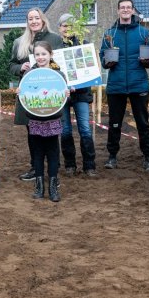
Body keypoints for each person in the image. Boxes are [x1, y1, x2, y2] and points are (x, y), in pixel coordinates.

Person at [99, 0, 149, 172]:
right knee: (114, 123)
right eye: (122, 7)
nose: (125, 10)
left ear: (133, 11)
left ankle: (148, 158)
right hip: (116, 85)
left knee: (143, 123)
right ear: (118, 11)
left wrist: (148, 61)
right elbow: (103, 58)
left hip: (139, 84)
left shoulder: (143, 33)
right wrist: (107, 63)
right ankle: (112, 156)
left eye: (128, 7)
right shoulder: (110, 34)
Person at [10, 8, 64, 181]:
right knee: (32, 132)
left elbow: (61, 63)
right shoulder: (20, 42)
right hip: (30, 94)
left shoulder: (55, 39)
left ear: (42, 19)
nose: (33, 21)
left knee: (52, 133)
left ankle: (54, 167)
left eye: (36, 18)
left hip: (50, 94)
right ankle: (36, 167)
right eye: (30, 19)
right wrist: (21, 68)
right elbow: (11, 65)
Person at [22, 41, 69, 202]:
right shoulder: (29, 75)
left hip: (53, 119)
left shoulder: (59, 74)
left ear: (50, 55)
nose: (40, 57)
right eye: (37, 55)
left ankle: (53, 187)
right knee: (38, 153)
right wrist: (21, 93)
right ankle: (39, 187)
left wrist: (66, 93)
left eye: (43, 54)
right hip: (35, 120)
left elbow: (63, 94)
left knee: (53, 152)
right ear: (34, 56)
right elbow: (25, 94)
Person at [58, 13, 96, 177]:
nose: (67, 28)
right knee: (65, 131)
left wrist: (78, 85)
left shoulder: (83, 45)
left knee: (85, 130)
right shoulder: (56, 48)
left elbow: (89, 71)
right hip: (63, 94)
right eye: (64, 25)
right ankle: (70, 165)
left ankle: (89, 166)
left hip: (81, 94)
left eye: (70, 25)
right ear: (59, 28)